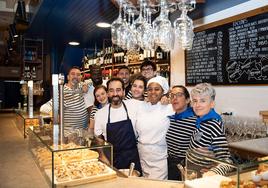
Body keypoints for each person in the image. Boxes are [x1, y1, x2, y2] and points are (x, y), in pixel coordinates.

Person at [94, 77, 142, 173]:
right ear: (107, 93)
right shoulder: (100, 114)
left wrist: (164, 98)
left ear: (124, 92)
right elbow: (98, 139)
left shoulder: (135, 105)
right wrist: (103, 157)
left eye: (118, 90)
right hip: (112, 159)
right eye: (111, 91)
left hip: (133, 158)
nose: (115, 94)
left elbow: (153, 103)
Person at [186, 83, 232, 177]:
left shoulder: (214, 124)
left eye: (202, 101)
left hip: (203, 175)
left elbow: (225, 160)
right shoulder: (200, 119)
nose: (197, 105)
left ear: (212, 104)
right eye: (195, 101)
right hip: (192, 170)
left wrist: (213, 172)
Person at [135, 76, 173, 180]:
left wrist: (170, 99)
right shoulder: (141, 106)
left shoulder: (169, 107)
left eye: (157, 89)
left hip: (159, 155)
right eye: (150, 89)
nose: (153, 92)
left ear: (163, 91)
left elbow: (186, 107)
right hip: (142, 153)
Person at [166, 85, 197, 180]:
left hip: (186, 166)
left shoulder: (195, 120)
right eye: (172, 95)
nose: (175, 98)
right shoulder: (170, 119)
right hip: (170, 164)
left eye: (179, 95)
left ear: (188, 100)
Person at [63, 66, 89, 136]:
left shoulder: (82, 87)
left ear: (81, 77)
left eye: (78, 75)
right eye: (73, 74)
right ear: (68, 77)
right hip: (69, 134)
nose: (75, 76)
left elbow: (93, 82)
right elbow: (44, 108)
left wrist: (85, 85)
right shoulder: (62, 92)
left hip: (84, 133)